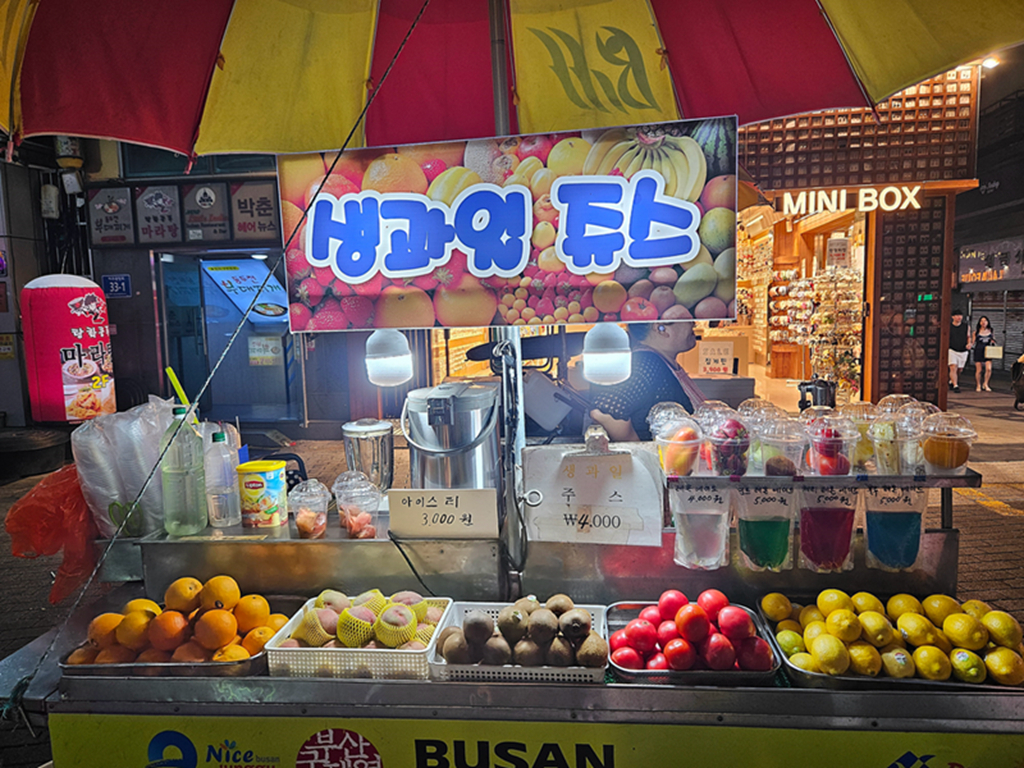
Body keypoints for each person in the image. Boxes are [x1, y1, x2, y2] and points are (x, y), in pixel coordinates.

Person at [589, 321, 706, 442]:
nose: (693, 323)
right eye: (686, 319)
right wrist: (642, 452)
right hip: (665, 459)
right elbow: (604, 413)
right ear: (661, 329)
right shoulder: (644, 364)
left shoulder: (661, 361)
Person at [948, 309, 972, 394]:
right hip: (952, 349)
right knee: (953, 367)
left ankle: (952, 381)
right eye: (957, 315)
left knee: (959, 369)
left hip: (963, 350)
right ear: (953, 317)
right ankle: (955, 385)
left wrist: (969, 343)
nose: (959, 317)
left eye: (960, 315)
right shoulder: (949, 327)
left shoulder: (966, 326)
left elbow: (968, 336)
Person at [973, 315, 995, 392]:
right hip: (978, 351)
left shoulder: (990, 331)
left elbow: (993, 340)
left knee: (988, 369)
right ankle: (978, 384)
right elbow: (973, 342)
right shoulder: (976, 332)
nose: (983, 323)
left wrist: (993, 341)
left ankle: (986, 383)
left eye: (985, 321)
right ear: (979, 323)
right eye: (982, 321)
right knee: (979, 370)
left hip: (988, 351)